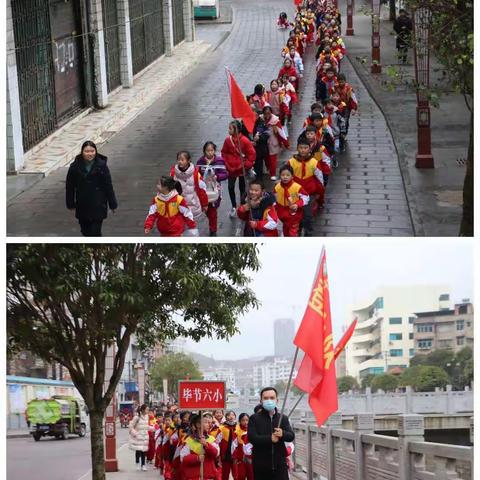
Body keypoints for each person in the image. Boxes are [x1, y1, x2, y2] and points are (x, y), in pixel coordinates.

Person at [65, 140, 117, 236]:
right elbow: (70, 187)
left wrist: (112, 204)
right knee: (85, 231)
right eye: (87, 151)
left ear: (96, 151)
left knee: (95, 232)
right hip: (82, 205)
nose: (90, 154)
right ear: (82, 152)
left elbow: (108, 186)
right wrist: (70, 203)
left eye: (92, 151)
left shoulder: (102, 166)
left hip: (98, 204)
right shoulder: (74, 167)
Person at [248, 387, 295, 480]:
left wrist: (283, 434)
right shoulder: (254, 418)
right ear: (261, 400)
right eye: (266, 398)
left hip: (280, 465)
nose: (269, 400)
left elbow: (291, 436)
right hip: (261, 466)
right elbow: (252, 438)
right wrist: (269, 439)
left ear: (277, 400)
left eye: (272, 398)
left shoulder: (283, 418)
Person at [287, 138, 324, 236]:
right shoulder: (291, 162)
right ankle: (297, 230)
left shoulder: (314, 162)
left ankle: (309, 232)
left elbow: (320, 177)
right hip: (295, 193)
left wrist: (320, 192)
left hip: (309, 193)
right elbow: (286, 176)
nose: (303, 150)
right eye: (301, 148)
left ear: (309, 149)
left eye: (305, 148)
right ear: (297, 148)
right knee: (296, 214)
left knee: (308, 214)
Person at [221, 121, 256, 217]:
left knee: (242, 188)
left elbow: (252, 155)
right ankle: (233, 206)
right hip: (231, 169)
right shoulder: (228, 141)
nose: (229, 130)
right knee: (230, 187)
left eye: (230, 128)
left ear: (236, 130)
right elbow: (224, 153)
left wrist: (246, 165)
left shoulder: (245, 140)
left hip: (241, 169)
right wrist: (227, 163)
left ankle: (241, 205)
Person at [196, 142, 228, 236]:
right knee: (206, 210)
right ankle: (210, 219)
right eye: (208, 150)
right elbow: (196, 174)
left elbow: (225, 174)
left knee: (213, 211)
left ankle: (213, 230)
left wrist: (217, 176)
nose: (210, 152)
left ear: (214, 151)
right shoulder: (200, 162)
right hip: (203, 189)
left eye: (212, 150)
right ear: (204, 151)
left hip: (215, 189)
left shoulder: (219, 161)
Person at [171, 150, 209, 221]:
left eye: (182, 160)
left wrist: (205, 204)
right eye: (178, 159)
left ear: (188, 161)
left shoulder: (195, 174)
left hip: (192, 205)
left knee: (191, 225)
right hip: (178, 205)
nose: (180, 161)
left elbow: (202, 190)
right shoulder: (173, 174)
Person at [180, 414, 220, 480]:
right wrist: (197, 458)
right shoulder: (188, 440)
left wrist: (206, 445)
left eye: (209, 423)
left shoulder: (211, 439)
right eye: (206, 422)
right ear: (198, 425)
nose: (209, 425)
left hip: (209, 476)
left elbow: (216, 454)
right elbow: (182, 458)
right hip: (193, 477)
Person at [274, 164, 309, 237]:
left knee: (292, 233)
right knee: (286, 231)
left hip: (294, 215)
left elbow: (306, 197)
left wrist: (297, 204)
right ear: (280, 176)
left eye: (287, 175)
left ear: (292, 176)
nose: (285, 177)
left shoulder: (297, 187)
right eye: (283, 175)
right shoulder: (277, 187)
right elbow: (275, 199)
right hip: (282, 215)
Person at [260, 105, 289, 181]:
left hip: (273, 143)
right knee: (266, 158)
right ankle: (268, 169)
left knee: (273, 159)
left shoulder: (276, 121)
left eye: (268, 113)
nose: (267, 115)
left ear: (271, 113)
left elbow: (281, 133)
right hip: (263, 143)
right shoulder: (260, 119)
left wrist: (286, 144)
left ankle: (273, 174)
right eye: (265, 113)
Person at [129, 404, 154, 471]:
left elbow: (146, 426)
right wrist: (135, 434)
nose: (148, 411)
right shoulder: (136, 417)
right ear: (143, 410)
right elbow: (131, 426)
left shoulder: (147, 417)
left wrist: (153, 428)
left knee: (144, 451)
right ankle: (137, 463)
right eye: (147, 409)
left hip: (145, 436)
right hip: (138, 436)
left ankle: (143, 465)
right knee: (138, 451)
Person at [216, 410, 238, 480]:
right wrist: (219, 456)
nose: (231, 416)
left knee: (236, 474)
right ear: (226, 417)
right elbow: (217, 442)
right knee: (225, 474)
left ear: (235, 417)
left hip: (236, 455)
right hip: (225, 455)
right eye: (229, 415)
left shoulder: (238, 427)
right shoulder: (221, 428)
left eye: (233, 415)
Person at [232, 413, 253, 480]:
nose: (245, 422)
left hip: (251, 460)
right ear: (240, 421)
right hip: (240, 460)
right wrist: (235, 458)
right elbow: (233, 447)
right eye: (243, 420)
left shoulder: (253, 431)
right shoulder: (236, 432)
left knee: (252, 477)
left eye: (247, 420)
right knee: (240, 477)